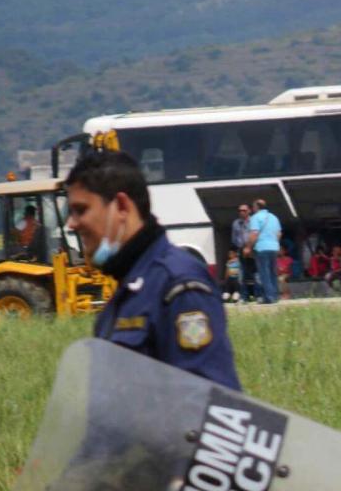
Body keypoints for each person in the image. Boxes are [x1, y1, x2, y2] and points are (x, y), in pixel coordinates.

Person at [65, 149, 241, 390]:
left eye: (81, 210)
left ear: (122, 207)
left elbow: (210, 402)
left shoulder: (179, 285)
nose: (71, 223)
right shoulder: (128, 289)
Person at [244, 199, 282, 304]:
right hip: (274, 247)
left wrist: (248, 247)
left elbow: (254, 234)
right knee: (273, 273)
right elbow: (279, 233)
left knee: (264, 274)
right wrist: (274, 243)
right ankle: (275, 295)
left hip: (261, 248)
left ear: (257, 207)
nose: (252, 209)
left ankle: (269, 297)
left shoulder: (255, 218)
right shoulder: (274, 217)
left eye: (253, 206)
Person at [232, 203, 256, 302]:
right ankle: (243, 296)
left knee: (255, 274)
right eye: (240, 210)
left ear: (249, 211)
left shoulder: (254, 221)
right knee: (241, 275)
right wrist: (241, 246)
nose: (242, 212)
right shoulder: (236, 223)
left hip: (253, 250)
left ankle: (257, 295)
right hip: (241, 250)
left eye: (244, 210)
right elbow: (234, 239)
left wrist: (250, 246)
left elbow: (255, 235)